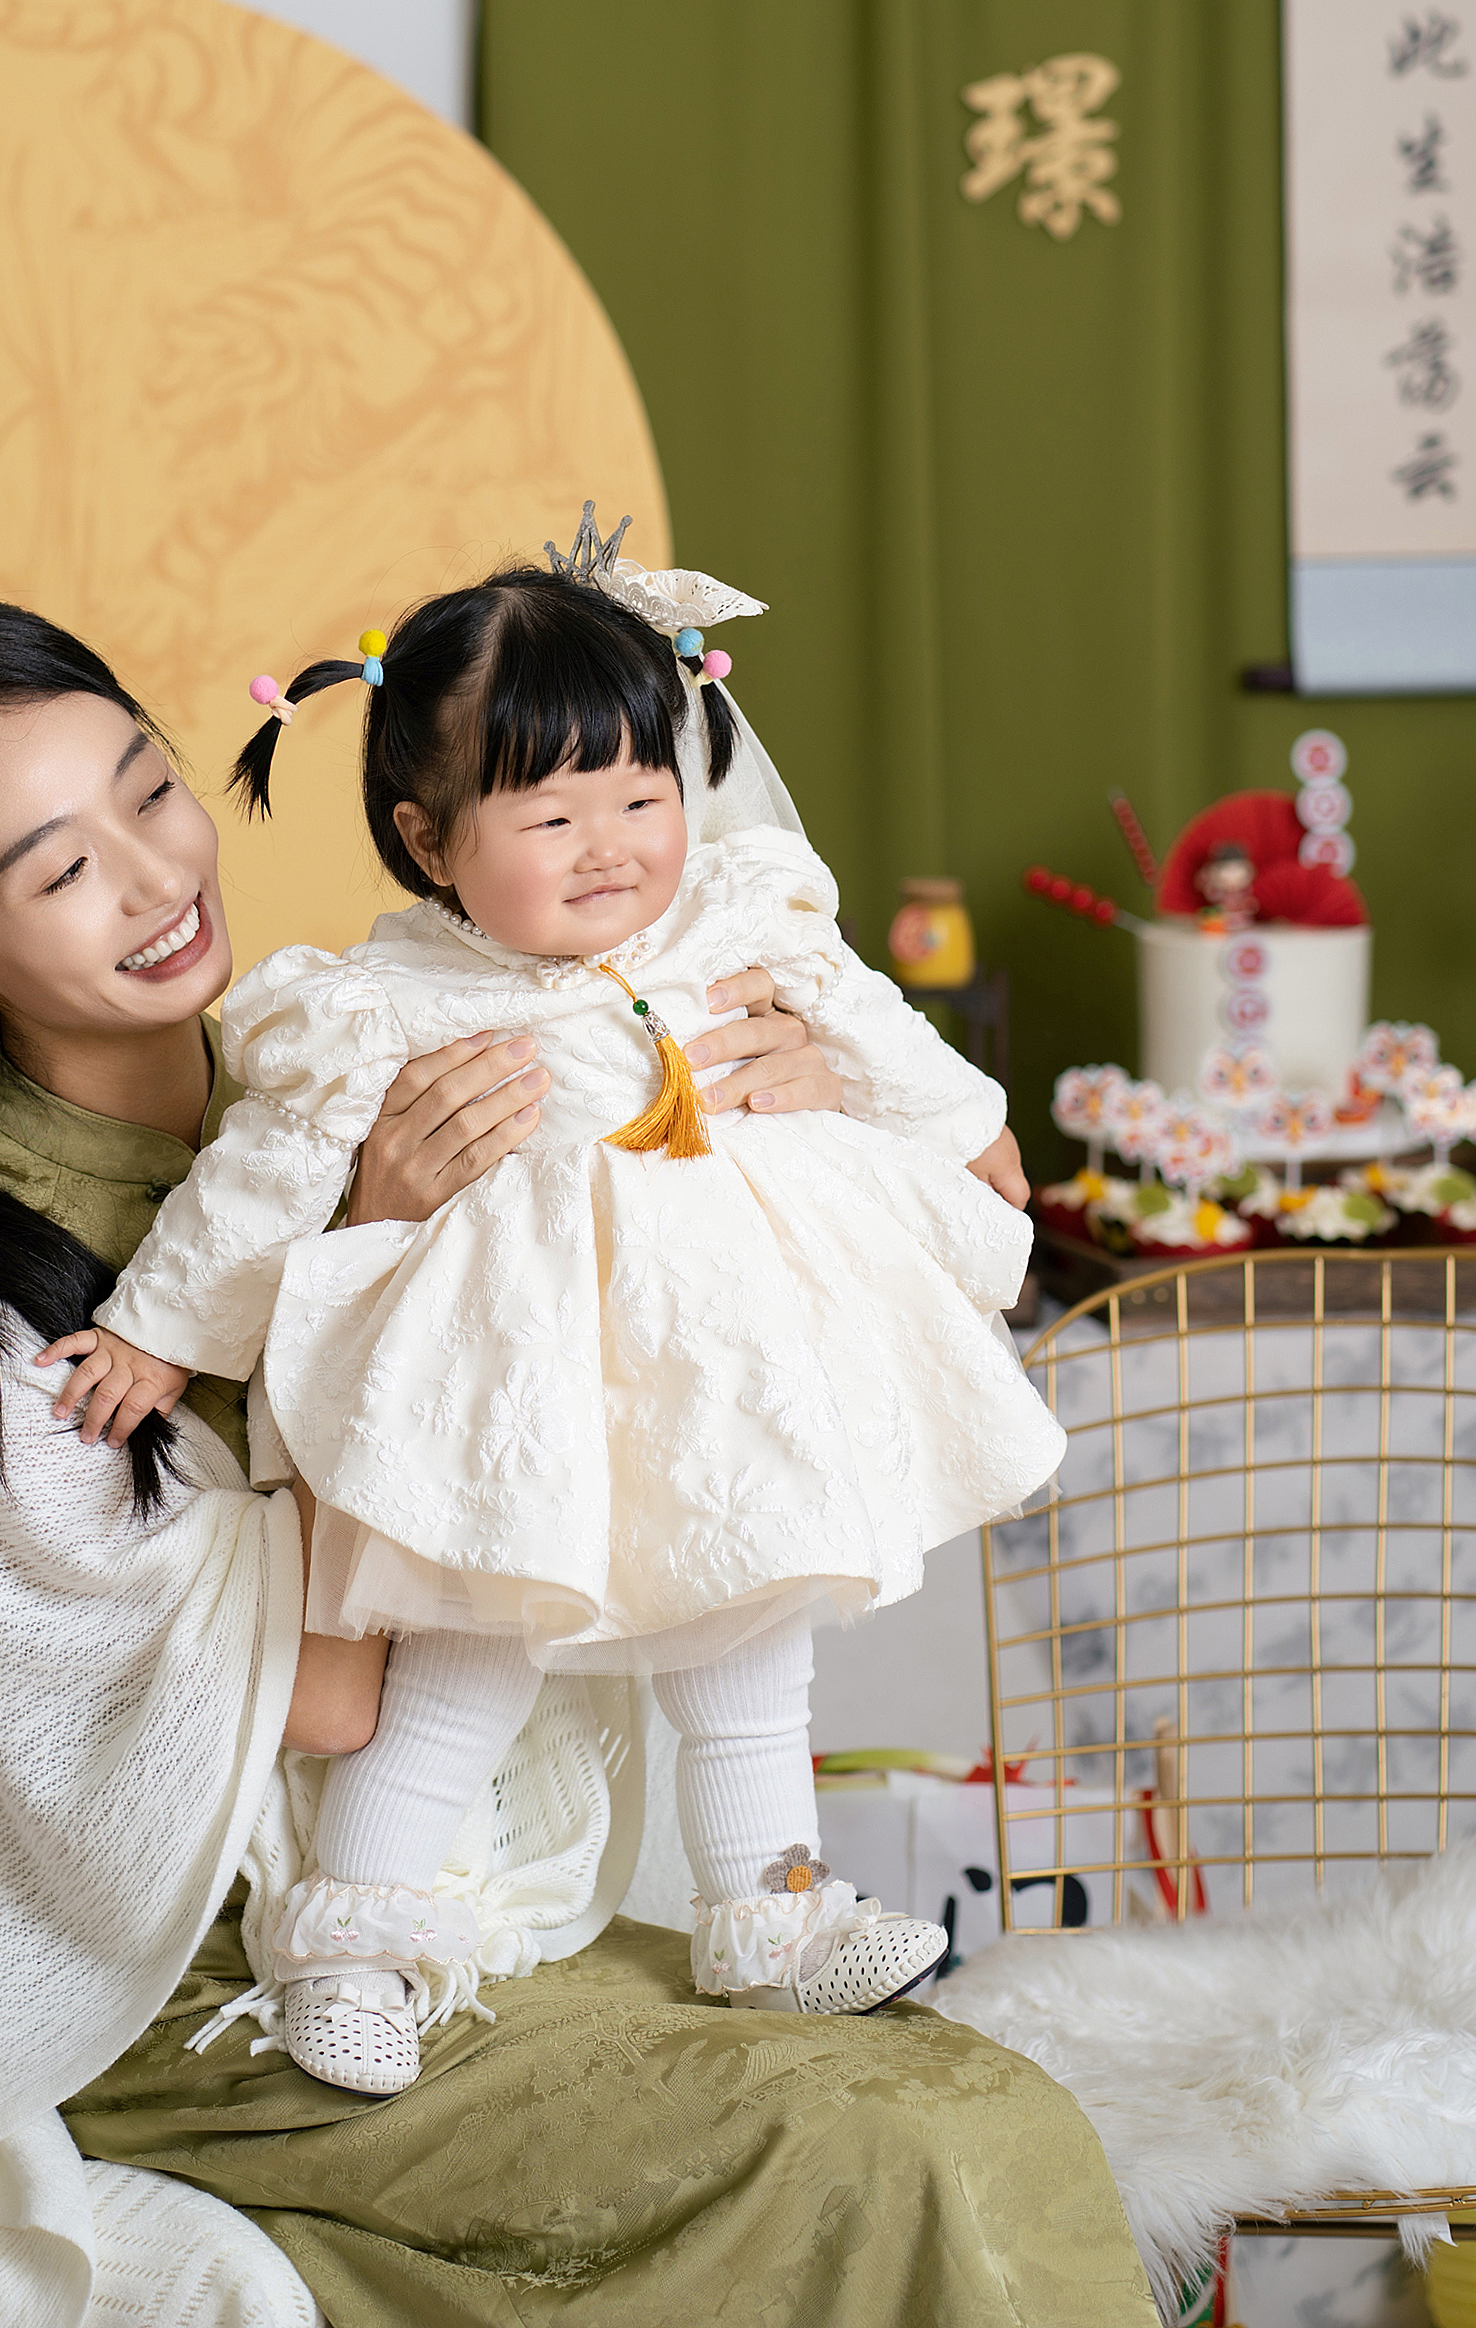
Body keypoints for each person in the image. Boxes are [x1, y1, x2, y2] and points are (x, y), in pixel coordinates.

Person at [0, 593, 1157, 2328]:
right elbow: (324, 1702)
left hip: (503, 1904)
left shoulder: (382, 1055)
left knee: (986, 2110)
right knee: (899, 2150)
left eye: (151, 786)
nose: (155, 872)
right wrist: (371, 1263)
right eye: (59, 868)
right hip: (206, 1998)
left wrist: (764, 1108)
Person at [61, 552, 1065, 2095]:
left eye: (641, 795)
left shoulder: (736, 918)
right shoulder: (392, 998)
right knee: (464, 1663)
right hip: (513, 1399)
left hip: (721, 1373)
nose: (611, 847)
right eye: (549, 817)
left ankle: (771, 1912)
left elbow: (869, 1020)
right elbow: (262, 1176)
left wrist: (967, 1126)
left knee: (752, 1644)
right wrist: (162, 1329)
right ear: (430, 840)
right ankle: (350, 1935)